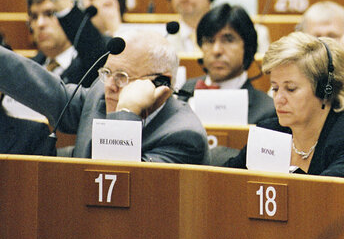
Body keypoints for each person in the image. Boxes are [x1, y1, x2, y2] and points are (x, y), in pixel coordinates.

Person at [0, 29, 210, 164]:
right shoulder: (101, 93)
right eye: (107, 73)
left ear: (162, 82)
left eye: (122, 77)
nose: (109, 85)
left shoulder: (184, 136)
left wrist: (126, 112)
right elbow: (51, 93)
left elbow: (116, 184)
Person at [223, 32, 344, 178]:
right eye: (275, 88)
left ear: (325, 90)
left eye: (291, 89)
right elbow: (221, 182)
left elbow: (327, 196)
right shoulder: (269, 132)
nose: (279, 99)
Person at [177, 4, 275, 124]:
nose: (216, 50)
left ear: (248, 47)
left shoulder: (266, 110)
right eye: (209, 41)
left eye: (228, 40)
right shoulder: (186, 90)